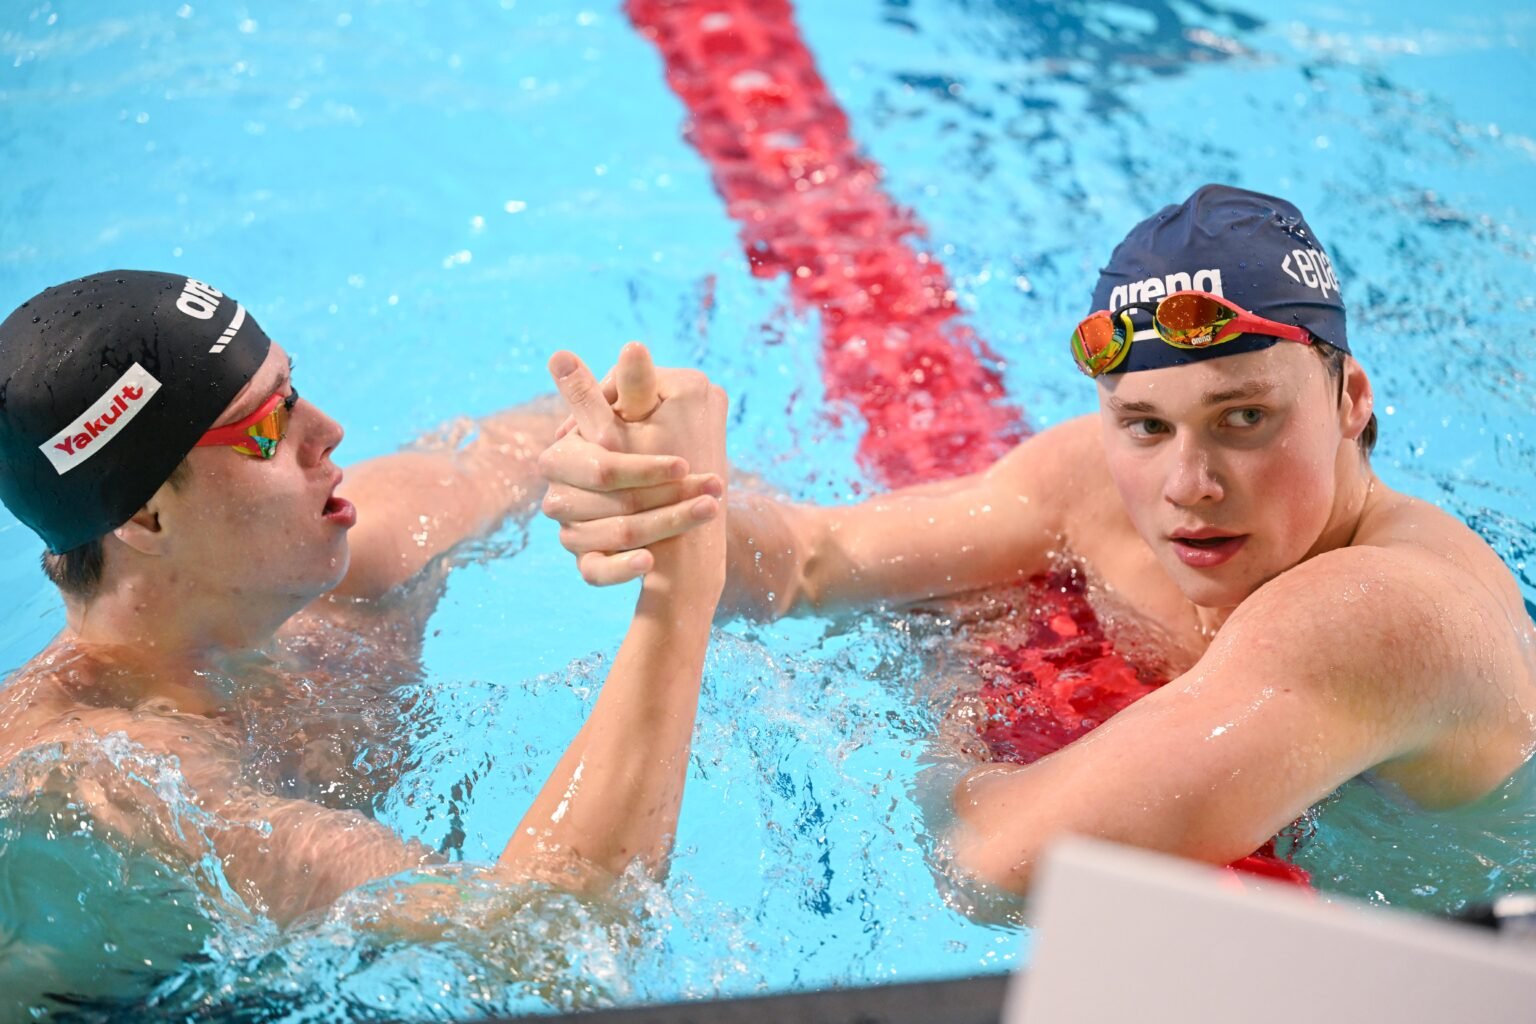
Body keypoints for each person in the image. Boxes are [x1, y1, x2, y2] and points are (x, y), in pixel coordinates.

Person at [538, 184, 1536, 895]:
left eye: (1244, 417)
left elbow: (996, 864)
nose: (1188, 484)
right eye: (1146, 425)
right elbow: (807, 560)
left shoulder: (1383, 611)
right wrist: (673, 500)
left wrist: (955, 703)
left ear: (1351, 397)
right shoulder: (1094, 484)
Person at [0, 270, 729, 927]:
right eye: (267, 426)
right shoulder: (108, 783)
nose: (327, 431)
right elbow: (553, 938)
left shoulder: (364, 556)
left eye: (293, 390)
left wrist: (644, 459)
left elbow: (535, 440)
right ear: (147, 518)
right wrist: (684, 580)